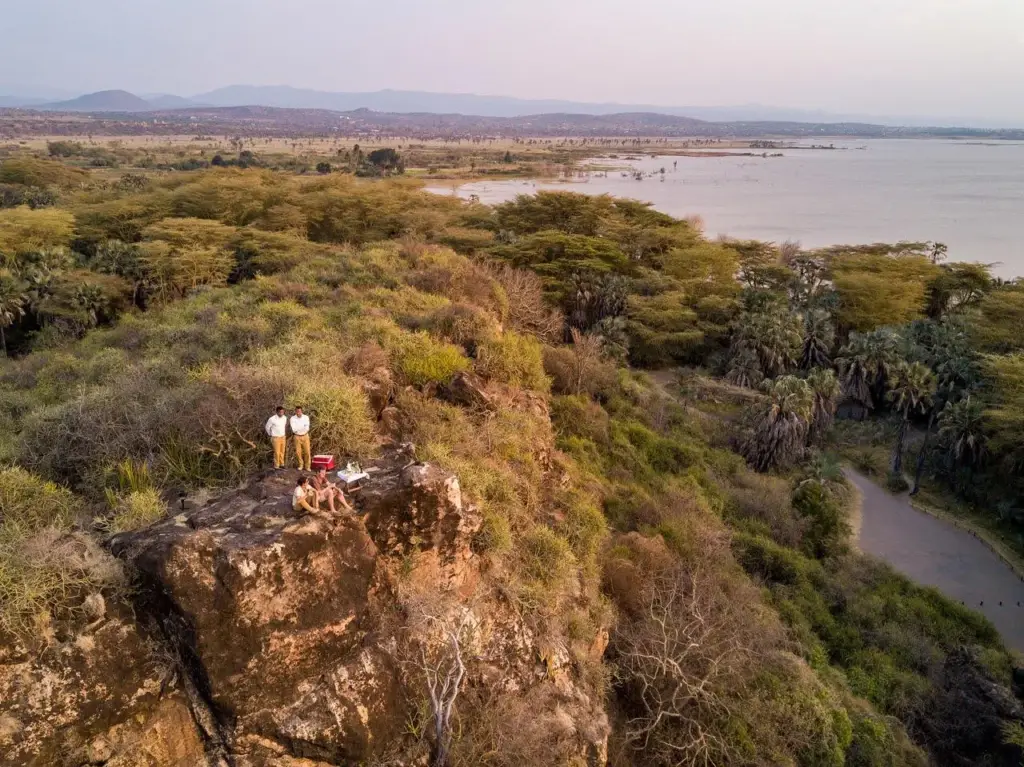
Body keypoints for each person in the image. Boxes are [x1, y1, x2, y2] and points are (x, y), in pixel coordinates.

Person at [290, 406, 311, 471]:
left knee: (307, 451)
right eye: (297, 411)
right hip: (297, 436)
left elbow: (307, 428)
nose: (298, 412)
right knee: (298, 452)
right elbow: (294, 429)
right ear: (295, 411)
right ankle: (301, 465)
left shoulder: (306, 417)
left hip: (305, 435)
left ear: (301, 411)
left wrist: (299, 428)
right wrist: (302, 427)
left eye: (300, 411)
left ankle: (307, 466)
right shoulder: (292, 418)